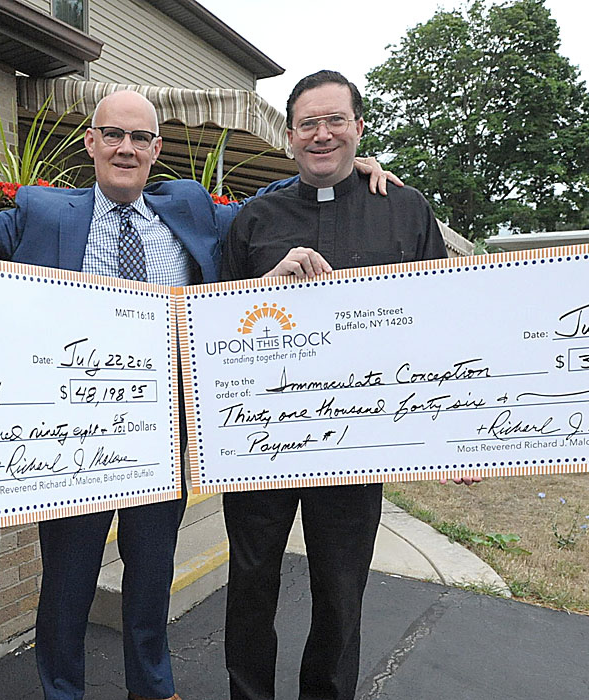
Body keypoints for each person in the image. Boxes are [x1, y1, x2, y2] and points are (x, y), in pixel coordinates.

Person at [0, 88, 399, 700]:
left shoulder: (190, 208)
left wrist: (347, 168)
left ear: (156, 150)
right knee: (68, 587)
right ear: (92, 143)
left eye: (140, 138)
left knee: (151, 583)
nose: (126, 148)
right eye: (114, 135)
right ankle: (62, 691)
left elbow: (269, 208)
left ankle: (152, 689)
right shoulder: (41, 211)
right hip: (71, 442)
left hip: (162, 438)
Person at [219, 70, 472, 700]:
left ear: (360, 127)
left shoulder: (406, 209)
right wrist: (265, 286)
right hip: (261, 442)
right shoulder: (254, 218)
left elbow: (436, 326)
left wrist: (452, 435)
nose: (323, 134)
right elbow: (219, 323)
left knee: (340, 591)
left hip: (356, 447)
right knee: (251, 586)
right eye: (309, 123)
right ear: (289, 135)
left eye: (337, 120)